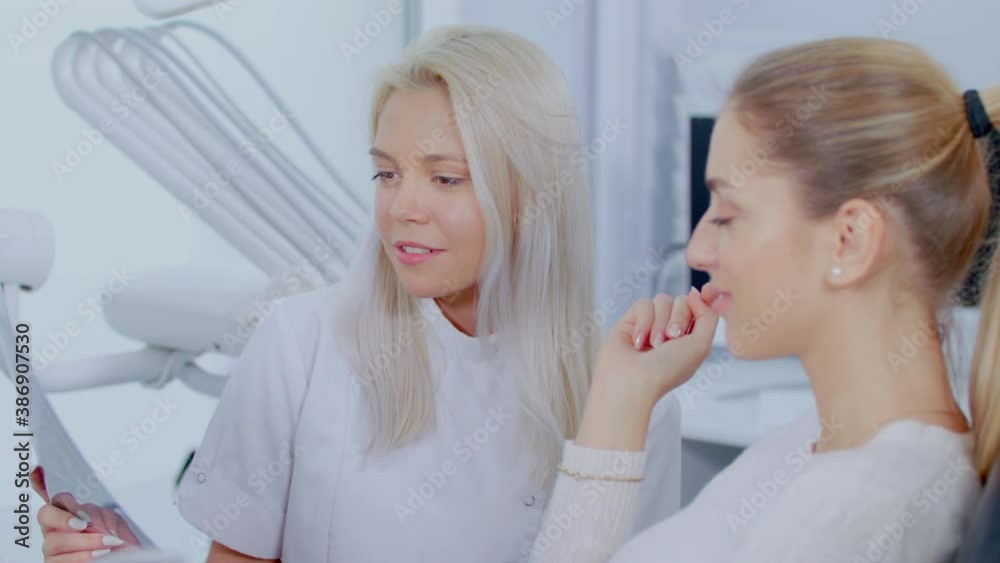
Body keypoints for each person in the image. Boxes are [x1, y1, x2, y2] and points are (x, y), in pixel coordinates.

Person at [30, 25, 683, 562]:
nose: (403, 207)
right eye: (387, 173)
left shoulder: (629, 400)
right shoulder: (300, 342)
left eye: (446, 178)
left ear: (530, 195)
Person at [527, 37, 999, 563]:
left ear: (850, 240)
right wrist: (624, 395)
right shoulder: (821, 443)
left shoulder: (852, 513)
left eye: (728, 216)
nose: (698, 250)